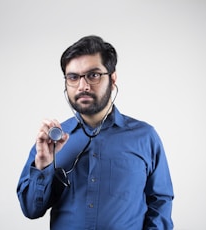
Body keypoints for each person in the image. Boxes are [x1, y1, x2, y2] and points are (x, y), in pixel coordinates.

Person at [17, 35, 174, 229]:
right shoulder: (50, 141)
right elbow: (31, 210)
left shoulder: (145, 137)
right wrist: (43, 165)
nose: (83, 86)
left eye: (93, 75)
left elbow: (160, 202)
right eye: (73, 77)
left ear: (113, 78)